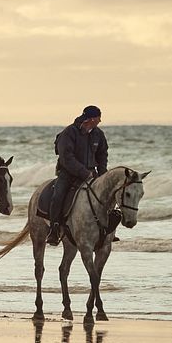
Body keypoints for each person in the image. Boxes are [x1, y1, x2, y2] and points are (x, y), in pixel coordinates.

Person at [46, 105, 108, 245]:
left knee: (107, 196)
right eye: (98, 118)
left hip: (92, 174)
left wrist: (102, 174)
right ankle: (54, 229)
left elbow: (102, 154)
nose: (100, 121)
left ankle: (106, 230)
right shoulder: (69, 132)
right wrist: (83, 172)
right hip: (68, 174)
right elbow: (66, 158)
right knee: (58, 195)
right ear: (91, 119)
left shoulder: (99, 134)